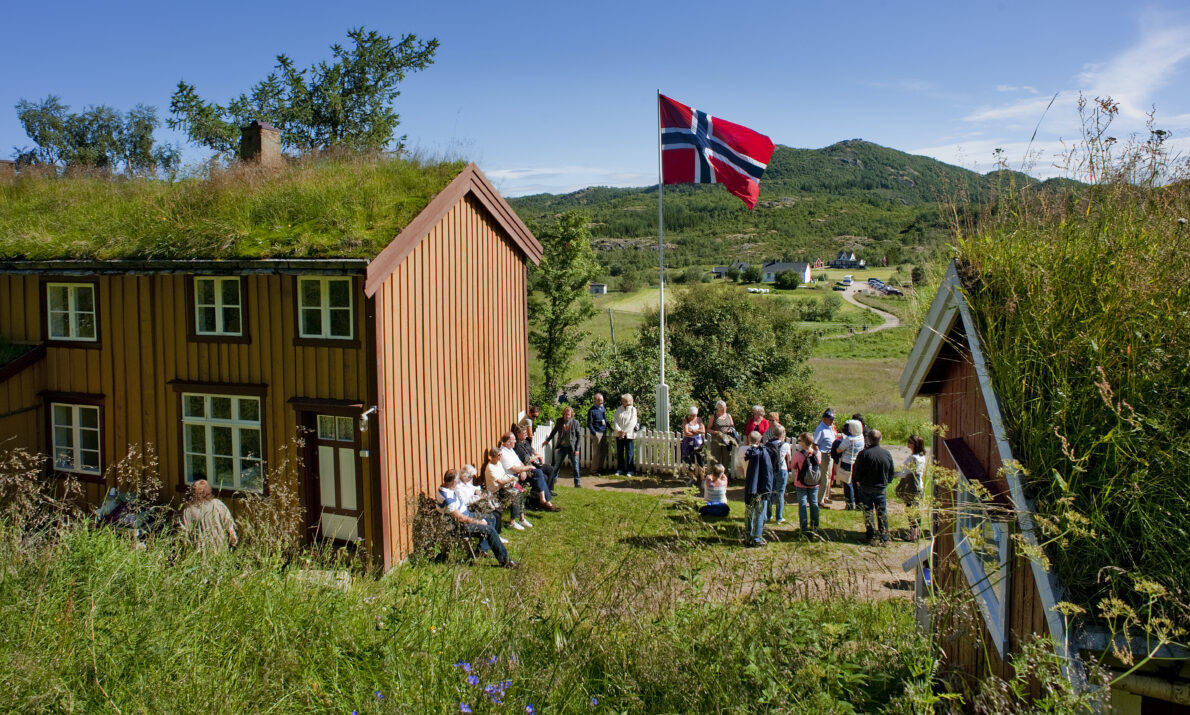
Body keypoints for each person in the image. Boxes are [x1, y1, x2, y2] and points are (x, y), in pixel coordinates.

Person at [436, 469, 516, 568]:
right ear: (453, 482)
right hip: (460, 525)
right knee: (489, 530)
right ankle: (505, 561)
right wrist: (478, 522)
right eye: (457, 480)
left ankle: (482, 551)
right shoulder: (448, 499)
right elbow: (460, 518)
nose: (458, 482)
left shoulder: (443, 487)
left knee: (491, 518)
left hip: (466, 514)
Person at [852, 429, 896, 545]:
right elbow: (891, 471)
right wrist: (888, 481)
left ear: (869, 440)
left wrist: (857, 480)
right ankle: (884, 536)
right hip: (881, 487)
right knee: (882, 512)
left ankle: (871, 535)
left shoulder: (863, 454)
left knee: (868, 511)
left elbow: (857, 470)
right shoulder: (886, 454)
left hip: (866, 487)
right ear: (880, 439)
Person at [180, 479, 237, 552]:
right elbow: (229, 527)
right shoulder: (218, 504)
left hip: (199, 552)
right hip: (220, 549)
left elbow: (184, 534)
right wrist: (232, 539)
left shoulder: (188, 510)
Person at [514, 422, 560, 510]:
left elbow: (532, 450)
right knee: (544, 476)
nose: (525, 435)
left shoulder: (526, 441)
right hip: (528, 466)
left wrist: (537, 454)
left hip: (534, 464)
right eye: (523, 434)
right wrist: (537, 457)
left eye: (526, 433)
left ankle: (548, 490)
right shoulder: (517, 446)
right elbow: (526, 459)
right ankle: (543, 499)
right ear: (518, 434)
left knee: (550, 469)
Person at [742, 431, 775, 547]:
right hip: (760, 487)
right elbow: (767, 473)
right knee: (760, 513)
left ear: (748, 440)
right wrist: (768, 489)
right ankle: (756, 538)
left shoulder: (744, 451)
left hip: (750, 485)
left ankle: (747, 536)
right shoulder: (763, 452)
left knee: (749, 512)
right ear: (760, 440)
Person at [496, 433, 535, 529]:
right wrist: (527, 468)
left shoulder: (510, 450)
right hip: (508, 480)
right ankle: (512, 521)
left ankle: (521, 519)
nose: (515, 441)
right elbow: (513, 468)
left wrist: (522, 471)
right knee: (518, 493)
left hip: (515, 477)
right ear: (508, 442)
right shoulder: (504, 453)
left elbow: (519, 462)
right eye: (513, 440)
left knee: (522, 491)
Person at [790, 432, 822, 533]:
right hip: (814, 482)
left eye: (800, 440)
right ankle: (815, 527)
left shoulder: (799, 455)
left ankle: (803, 528)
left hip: (801, 482)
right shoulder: (818, 453)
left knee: (802, 505)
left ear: (804, 442)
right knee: (814, 504)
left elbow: (793, 466)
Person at [546, 406, 582, 487]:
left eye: (568, 414)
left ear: (571, 415)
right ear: (563, 414)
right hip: (562, 447)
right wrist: (548, 440)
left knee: (575, 466)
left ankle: (577, 483)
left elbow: (579, 436)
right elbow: (554, 431)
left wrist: (577, 449)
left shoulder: (575, 422)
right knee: (557, 465)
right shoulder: (559, 421)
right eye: (565, 414)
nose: (567, 416)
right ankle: (553, 481)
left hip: (572, 448)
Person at [899, 435, 927, 541]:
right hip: (919, 485)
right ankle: (916, 533)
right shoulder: (922, 456)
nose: (908, 443)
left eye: (910, 442)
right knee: (916, 510)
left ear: (915, 444)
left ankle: (913, 534)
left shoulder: (913, 458)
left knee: (910, 510)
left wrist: (895, 474)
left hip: (912, 487)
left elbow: (905, 473)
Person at [836, 419, 866, 510]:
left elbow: (839, 450)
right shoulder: (861, 437)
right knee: (856, 483)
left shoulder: (849, 439)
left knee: (847, 483)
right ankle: (859, 504)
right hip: (857, 463)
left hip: (847, 462)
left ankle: (849, 504)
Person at [813, 409, 838, 508]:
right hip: (824, 455)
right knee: (824, 477)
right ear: (824, 419)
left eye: (832, 419)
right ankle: (820, 500)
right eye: (830, 419)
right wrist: (819, 455)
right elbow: (815, 444)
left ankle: (824, 497)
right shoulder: (821, 429)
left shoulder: (829, 427)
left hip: (830, 454)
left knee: (828, 477)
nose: (832, 421)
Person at [767, 425, 791, 524]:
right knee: (780, 493)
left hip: (771, 470)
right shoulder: (785, 445)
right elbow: (789, 459)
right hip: (782, 469)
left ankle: (768, 515)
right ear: (783, 434)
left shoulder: (768, 444)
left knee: (770, 492)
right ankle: (779, 517)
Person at [707, 400, 737, 469]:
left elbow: (732, 426)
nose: (724, 409)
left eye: (725, 407)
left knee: (726, 458)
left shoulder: (729, 416)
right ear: (718, 408)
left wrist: (730, 430)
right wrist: (716, 432)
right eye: (722, 407)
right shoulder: (713, 416)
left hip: (727, 439)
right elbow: (708, 429)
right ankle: (715, 475)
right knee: (715, 458)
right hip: (716, 440)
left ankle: (725, 475)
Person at [614, 394, 638, 476]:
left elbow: (633, 422)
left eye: (625, 401)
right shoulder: (619, 409)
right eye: (623, 400)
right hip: (619, 434)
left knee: (629, 452)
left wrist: (624, 432)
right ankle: (620, 469)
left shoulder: (633, 410)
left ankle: (630, 470)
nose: (623, 402)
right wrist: (619, 430)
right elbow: (616, 420)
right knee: (620, 452)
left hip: (629, 435)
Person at [586, 393, 610, 475]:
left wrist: (610, 427)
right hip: (597, 433)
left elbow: (605, 420)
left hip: (603, 432)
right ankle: (594, 470)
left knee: (603, 452)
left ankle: (600, 468)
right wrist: (594, 433)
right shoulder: (592, 410)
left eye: (602, 400)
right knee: (596, 453)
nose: (601, 401)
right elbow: (589, 424)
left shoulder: (602, 408)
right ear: (595, 400)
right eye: (600, 400)